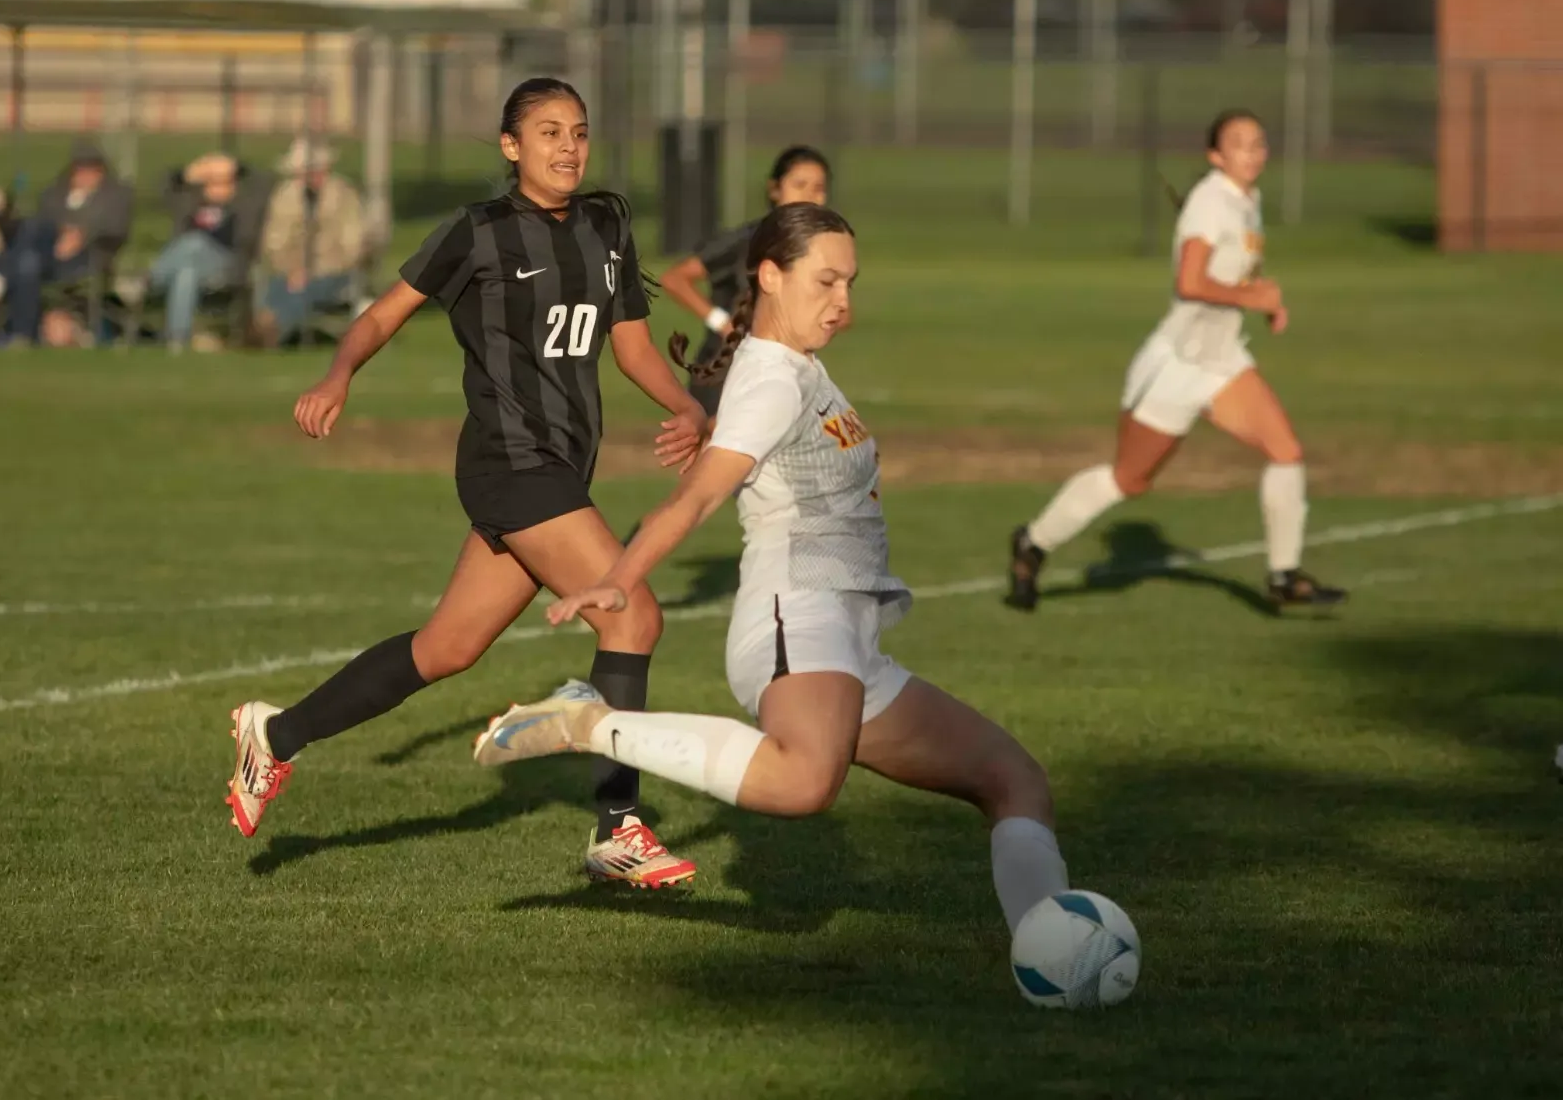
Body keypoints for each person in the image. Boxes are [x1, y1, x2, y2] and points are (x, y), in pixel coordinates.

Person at [472, 203, 1076, 937]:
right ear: (769, 275)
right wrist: (620, 576)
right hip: (799, 614)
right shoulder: (769, 381)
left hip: (851, 639)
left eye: (850, 283)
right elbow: (698, 496)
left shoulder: (798, 369)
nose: (843, 301)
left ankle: (1052, 948)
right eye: (825, 281)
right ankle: (592, 722)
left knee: (1016, 782)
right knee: (804, 780)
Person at [229, 78, 711, 888]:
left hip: (561, 464)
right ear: (510, 147)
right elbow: (383, 314)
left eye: (579, 132)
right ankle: (618, 827)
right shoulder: (477, 233)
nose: (568, 147)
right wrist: (339, 373)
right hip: (508, 462)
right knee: (632, 614)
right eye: (548, 132)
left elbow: (630, 345)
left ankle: (275, 736)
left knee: (445, 649)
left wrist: (689, 406)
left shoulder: (605, 226)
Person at [1005, 110, 1347, 613]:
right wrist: (1253, 299)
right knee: (1130, 480)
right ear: (1215, 156)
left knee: (1286, 451)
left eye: (1259, 143)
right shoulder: (1212, 202)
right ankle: (1032, 543)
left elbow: (1231, 275)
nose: (1253, 153)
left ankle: (1283, 575)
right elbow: (1190, 282)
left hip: (1221, 359)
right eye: (1239, 144)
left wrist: (1263, 299)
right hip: (1178, 364)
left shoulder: (1245, 200)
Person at [658, 146, 833, 415]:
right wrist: (723, 324)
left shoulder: (819, 248)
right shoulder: (747, 240)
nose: (810, 195)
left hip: (782, 374)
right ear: (775, 189)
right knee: (719, 453)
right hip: (726, 371)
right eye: (799, 184)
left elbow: (842, 315)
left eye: (819, 187)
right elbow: (675, 278)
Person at [0, 139, 134, 347]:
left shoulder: (116, 196)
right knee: (29, 248)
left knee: (26, 262)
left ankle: (20, 329)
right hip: (48, 249)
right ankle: (21, 330)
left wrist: (82, 235)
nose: (85, 174)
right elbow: (44, 218)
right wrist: (63, 232)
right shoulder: (56, 193)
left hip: (89, 255)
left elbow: (117, 228)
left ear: (101, 170)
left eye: (92, 169)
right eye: (80, 168)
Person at [255, 139, 367, 347]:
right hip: (289, 272)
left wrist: (313, 270)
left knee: (301, 292)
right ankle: (267, 328)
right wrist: (293, 269)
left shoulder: (345, 196)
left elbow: (354, 245)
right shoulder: (285, 196)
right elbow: (274, 241)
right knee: (278, 290)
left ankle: (274, 333)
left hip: (333, 272)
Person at [152, 153, 243, 351]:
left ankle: (154, 276)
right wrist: (187, 174)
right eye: (212, 182)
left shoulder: (242, 205)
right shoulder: (191, 202)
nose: (218, 188)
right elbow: (163, 186)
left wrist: (233, 166)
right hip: (190, 264)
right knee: (186, 273)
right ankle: (177, 339)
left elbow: (262, 181)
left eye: (224, 182)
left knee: (195, 241)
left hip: (223, 263)